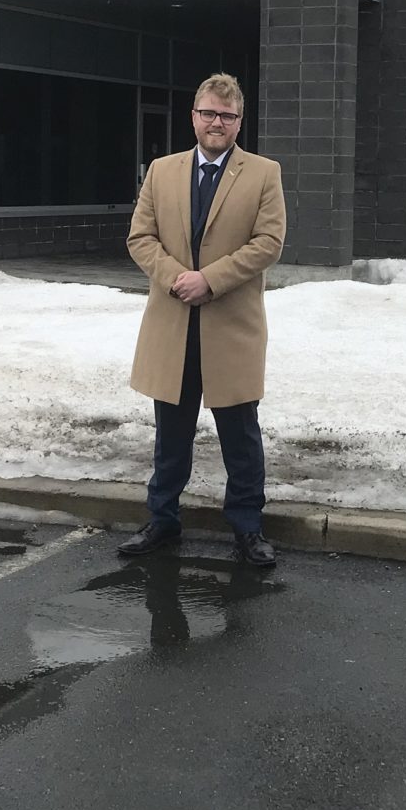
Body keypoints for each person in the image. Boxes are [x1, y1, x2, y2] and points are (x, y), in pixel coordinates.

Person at [120, 73, 287, 566]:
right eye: (209, 113)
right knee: (170, 436)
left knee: (240, 436)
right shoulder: (162, 171)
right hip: (172, 326)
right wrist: (178, 278)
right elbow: (140, 237)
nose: (217, 122)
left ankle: (248, 528)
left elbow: (268, 243)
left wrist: (209, 280)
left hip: (231, 329)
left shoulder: (264, 173)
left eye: (227, 115)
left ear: (239, 121)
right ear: (194, 116)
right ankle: (162, 520)